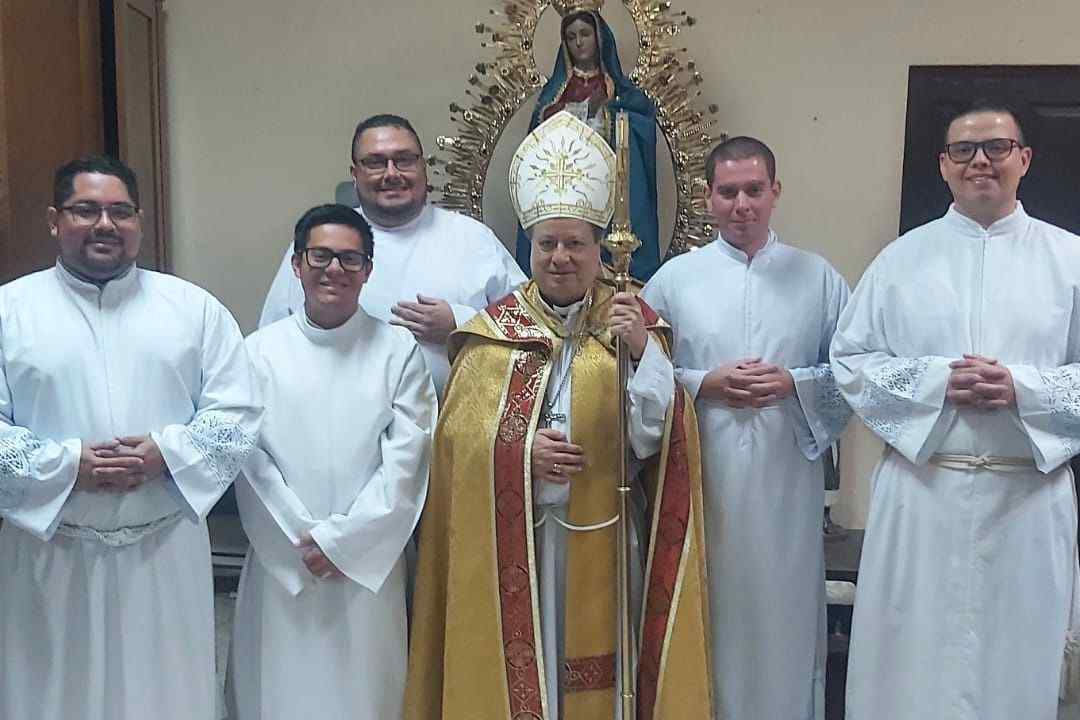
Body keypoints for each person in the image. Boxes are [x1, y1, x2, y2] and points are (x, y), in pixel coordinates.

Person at [405, 111, 712, 720]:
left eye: (576, 244)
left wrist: (641, 352)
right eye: (547, 244)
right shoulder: (492, 333)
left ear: (600, 250)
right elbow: (454, 445)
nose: (561, 257)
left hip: (605, 536)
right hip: (516, 542)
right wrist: (521, 452)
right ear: (531, 249)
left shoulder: (632, 323)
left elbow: (657, 439)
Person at [831, 101, 1080, 720]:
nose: (980, 162)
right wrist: (938, 381)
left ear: (1024, 159)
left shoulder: (1070, 260)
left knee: (1016, 665)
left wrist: (1022, 388)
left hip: (1027, 499)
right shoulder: (900, 261)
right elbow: (850, 361)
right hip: (924, 495)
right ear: (943, 165)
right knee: (911, 666)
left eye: (997, 147)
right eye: (964, 150)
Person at [0, 155, 261, 720]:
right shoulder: (9, 311)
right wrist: (68, 465)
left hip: (161, 552)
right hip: (50, 553)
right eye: (86, 210)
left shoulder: (194, 310)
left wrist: (165, 454)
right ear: (54, 220)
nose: (105, 224)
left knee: (164, 697)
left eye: (120, 211)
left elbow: (237, 412)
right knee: (53, 697)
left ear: (139, 221)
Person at [642, 136, 851, 719]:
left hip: (787, 487)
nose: (742, 205)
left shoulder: (818, 278)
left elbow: (854, 374)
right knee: (711, 611)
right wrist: (704, 383)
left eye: (754, 190)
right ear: (707, 197)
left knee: (783, 615)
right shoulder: (674, 281)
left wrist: (794, 383)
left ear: (775, 192)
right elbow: (639, 376)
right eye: (728, 192)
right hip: (702, 482)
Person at [228, 204, 436, 720]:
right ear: (297, 264)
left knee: (369, 692)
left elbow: (408, 458)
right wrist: (304, 539)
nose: (334, 270)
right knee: (280, 690)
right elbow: (248, 459)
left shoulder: (398, 351)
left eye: (350, 259)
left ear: (368, 270)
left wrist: (345, 544)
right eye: (320, 256)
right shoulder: (257, 352)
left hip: (368, 564)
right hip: (283, 559)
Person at [259, 113, 525, 396]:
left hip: (460, 418)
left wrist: (460, 325)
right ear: (354, 174)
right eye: (375, 162)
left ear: (423, 167)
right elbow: (274, 344)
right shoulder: (321, 243)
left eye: (404, 160)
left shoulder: (474, 239)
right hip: (338, 413)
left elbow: (531, 326)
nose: (391, 174)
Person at [515, 1, 661, 282]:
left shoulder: (621, 92)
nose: (579, 42)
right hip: (565, 191)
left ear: (600, 37)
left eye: (585, 34)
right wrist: (569, 114)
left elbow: (639, 125)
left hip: (611, 185)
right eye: (571, 37)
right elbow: (538, 142)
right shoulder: (553, 94)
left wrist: (607, 113)